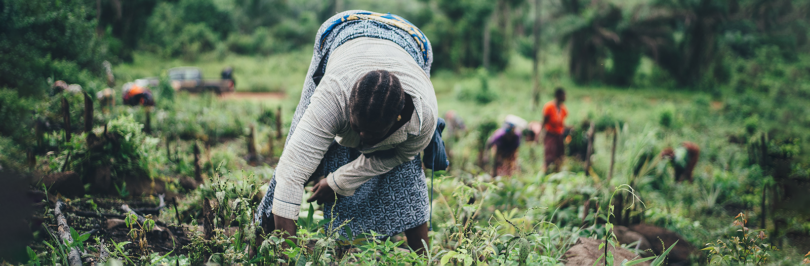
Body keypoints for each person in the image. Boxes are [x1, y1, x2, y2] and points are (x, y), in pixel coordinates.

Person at [255, 10, 438, 254]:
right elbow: (291, 174)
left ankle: (422, 257)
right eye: (356, 128)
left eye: (370, 135)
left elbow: (395, 157)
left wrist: (338, 181)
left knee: (406, 174)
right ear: (347, 107)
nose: (361, 140)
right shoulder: (332, 96)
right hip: (342, 31)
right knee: (295, 150)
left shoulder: (422, 119)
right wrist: (287, 254)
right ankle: (262, 241)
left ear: (397, 120)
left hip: (412, 41)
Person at [542, 88, 568, 172]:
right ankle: (546, 172)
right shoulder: (549, 107)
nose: (565, 97)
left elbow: (561, 123)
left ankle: (557, 172)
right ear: (559, 96)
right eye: (564, 95)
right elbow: (544, 121)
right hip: (550, 134)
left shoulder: (563, 109)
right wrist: (541, 133)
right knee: (549, 155)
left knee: (559, 156)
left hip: (559, 135)